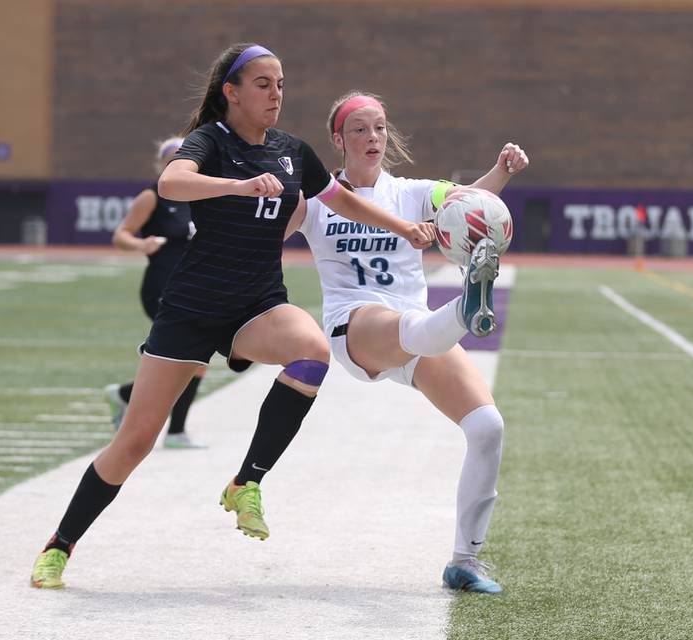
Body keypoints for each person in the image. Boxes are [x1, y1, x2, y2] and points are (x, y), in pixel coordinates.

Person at [30, 44, 436, 589]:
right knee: (136, 441)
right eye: (264, 84)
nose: (276, 95)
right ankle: (60, 544)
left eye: (281, 84)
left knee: (313, 350)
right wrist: (238, 186)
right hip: (192, 310)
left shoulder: (292, 151)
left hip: (257, 304)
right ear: (233, 92)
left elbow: (339, 199)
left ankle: (247, 481)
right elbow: (173, 183)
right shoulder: (210, 142)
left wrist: (401, 225)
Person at [286, 91, 529, 593]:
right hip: (356, 325)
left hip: (419, 331)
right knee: (402, 324)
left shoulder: (412, 192)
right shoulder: (316, 199)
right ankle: (467, 305)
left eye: (379, 128)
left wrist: (501, 170)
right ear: (339, 139)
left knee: (487, 427)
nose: (372, 137)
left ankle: (465, 561)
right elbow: (264, 236)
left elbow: (469, 203)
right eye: (360, 129)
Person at [105, 137, 206, 449]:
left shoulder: (202, 196)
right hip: (163, 286)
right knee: (195, 358)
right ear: (162, 164)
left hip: (196, 287)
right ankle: (176, 432)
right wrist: (141, 244)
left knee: (190, 361)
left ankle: (125, 395)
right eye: (171, 158)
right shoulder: (152, 196)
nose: (177, 163)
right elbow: (121, 235)